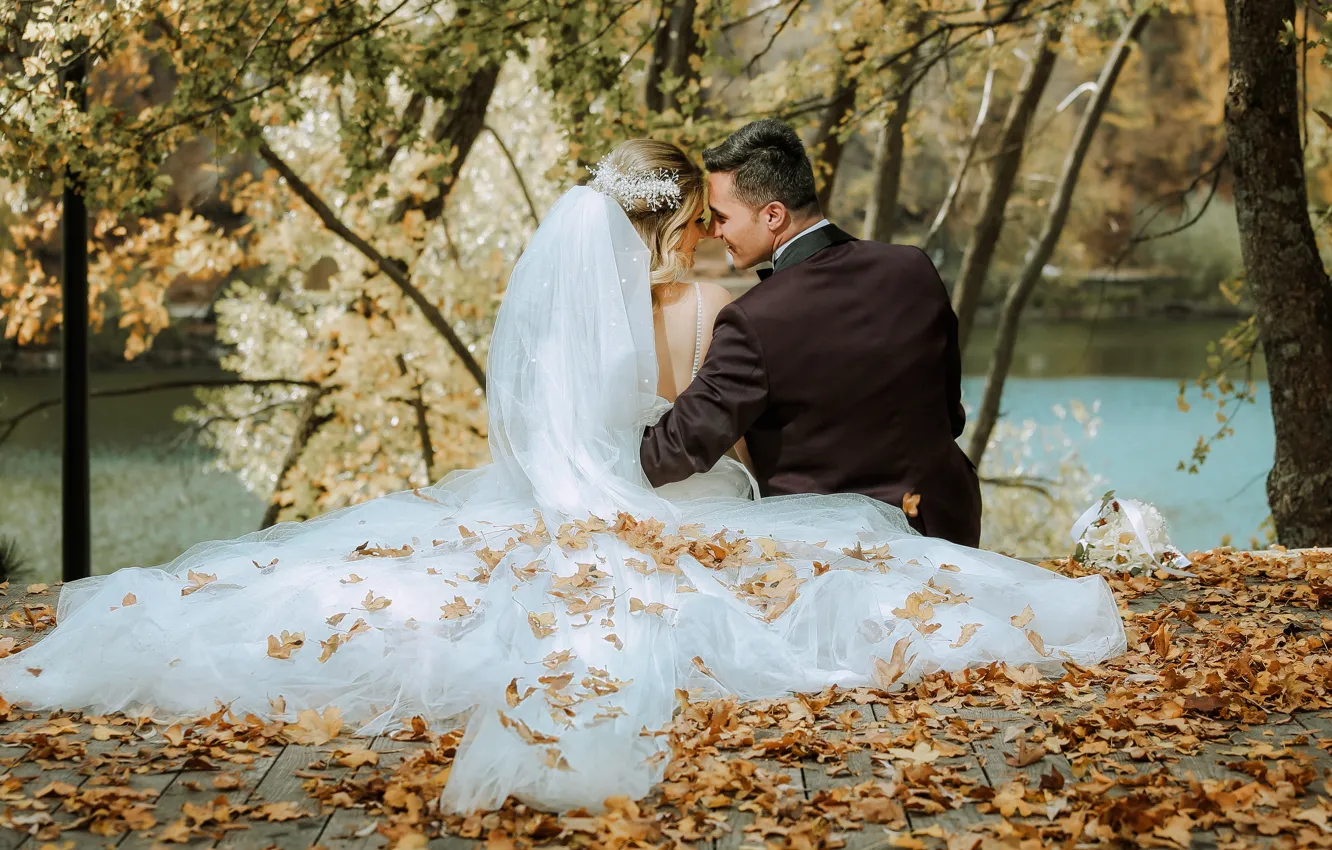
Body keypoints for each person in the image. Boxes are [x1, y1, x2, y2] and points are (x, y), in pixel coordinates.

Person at [0, 139, 1126, 817]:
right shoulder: (895, 270)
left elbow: (646, 434)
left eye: (718, 221)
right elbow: (672, 442)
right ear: (661, 226)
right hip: (646, 490)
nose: (707, 240)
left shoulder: (644, 306)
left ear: (766, 212)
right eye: (696, 224)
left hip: (577, 485)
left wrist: (642, 457)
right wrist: (649, 469)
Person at [641, 119, 983, 547]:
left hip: (839, 555)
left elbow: (680, 445)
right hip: (946, 524)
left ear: (773, 215)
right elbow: (949, 414)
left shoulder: (753, 319)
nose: (714, 231)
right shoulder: (913, 266)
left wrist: (585, 460)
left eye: (723, 217)